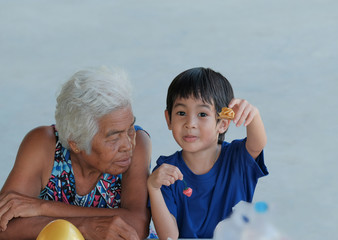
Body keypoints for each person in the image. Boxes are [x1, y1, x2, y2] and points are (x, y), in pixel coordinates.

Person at [0, 67, 151, 240]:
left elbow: (137, 226)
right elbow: (4, 225)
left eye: (130, 128)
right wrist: (84, 227)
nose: (127, 145)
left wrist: (43, 208)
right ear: (76, 143)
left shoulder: (139, 142)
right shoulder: (42, 144)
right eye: (113, 137)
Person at [147, 67, 268, 239]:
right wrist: (153, 188)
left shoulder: (236, 159)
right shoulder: (166, 172)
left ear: (223, 124)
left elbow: (257, 144)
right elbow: (169, 236)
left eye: (202, 114)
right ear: (169, 119)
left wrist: (253, 116)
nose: (190, 123)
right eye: (181, 113)